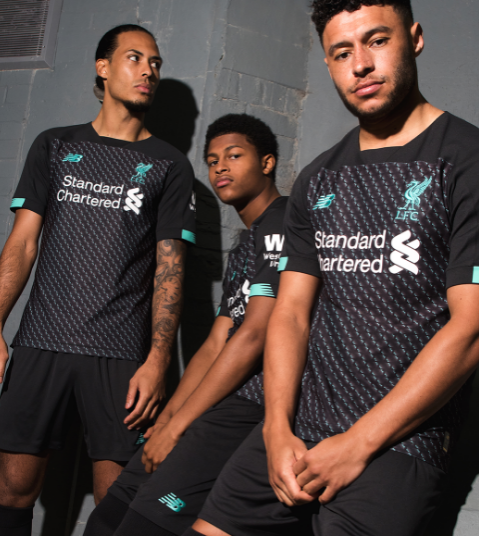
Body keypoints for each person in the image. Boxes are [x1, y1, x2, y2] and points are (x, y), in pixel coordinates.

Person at [185, 2, 479, 536]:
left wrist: (357, 444)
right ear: (327, 63)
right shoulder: (319, 177)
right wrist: (276, 428)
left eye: (377, 41)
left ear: (414, 38)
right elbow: (291, 314)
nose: (360, 64)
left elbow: (471, 327)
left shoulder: (465, 160)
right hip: (297, 430)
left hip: (398, 442)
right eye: (342, 53)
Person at [0, 24, 196, 536]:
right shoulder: (55, 145)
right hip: (42, 342)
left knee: (116, 502)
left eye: (155, 63)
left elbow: (170, 270)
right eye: (134, 58)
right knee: (12, 489)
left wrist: (159, 360)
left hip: (120, 355)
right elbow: (22, 243)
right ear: (103, 67)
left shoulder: (169, 164)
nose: (148, 71)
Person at [83, 113, 288, 536]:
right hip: (217, 398)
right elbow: (216, 341)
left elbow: (254, 334)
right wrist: (169, 416)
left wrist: (177, 427)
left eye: (234, 156)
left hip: (252, 402)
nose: (221, 168)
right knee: (108, 516)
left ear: (267, 162)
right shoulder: (247, 242)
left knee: (142, 524)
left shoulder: (283, 224)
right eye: (212, 161)